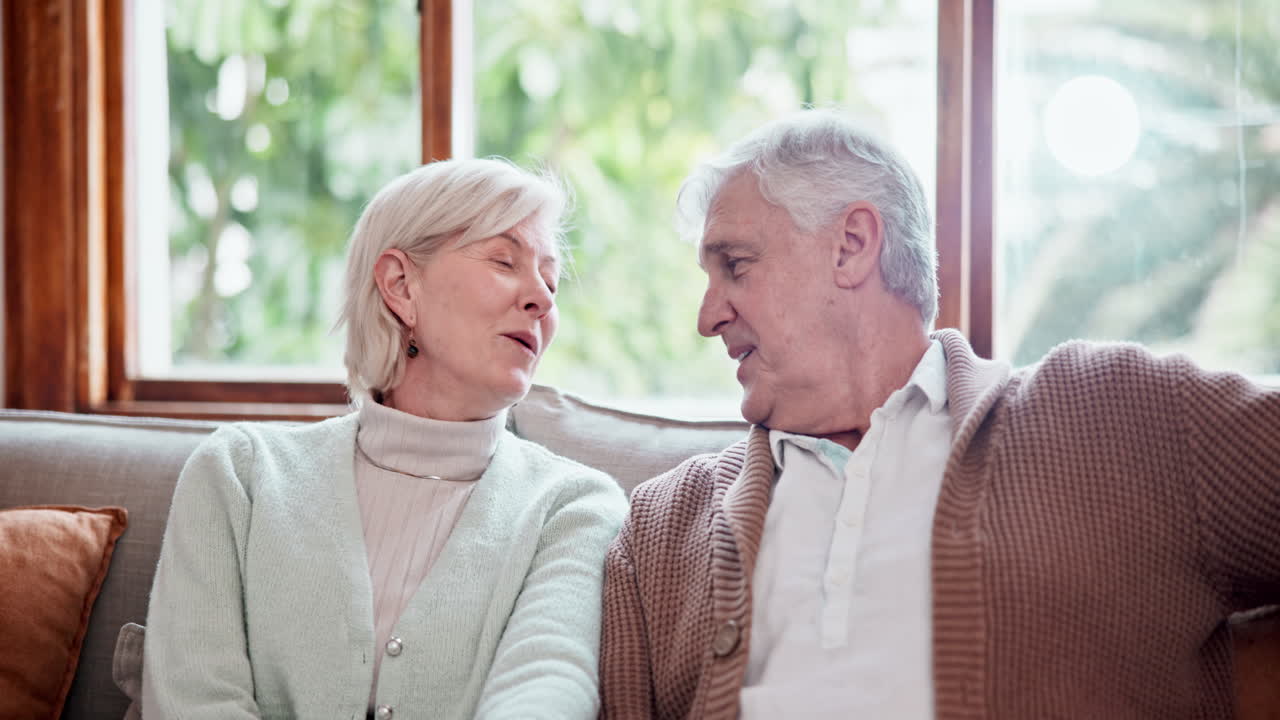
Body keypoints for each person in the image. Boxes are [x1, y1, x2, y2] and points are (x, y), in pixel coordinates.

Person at [598, 109, 1280, 719]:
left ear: (852, 245)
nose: (706, 316)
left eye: (736, 266)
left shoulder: (1118, 415)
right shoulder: (659, 529)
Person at [142, 158, 627, 719]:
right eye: (504, 260)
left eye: (550, 278)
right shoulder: (239, 474)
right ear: (400, 285)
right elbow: (193, 701)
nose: (542, 299)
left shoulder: (575, 508)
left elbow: (546, 691)